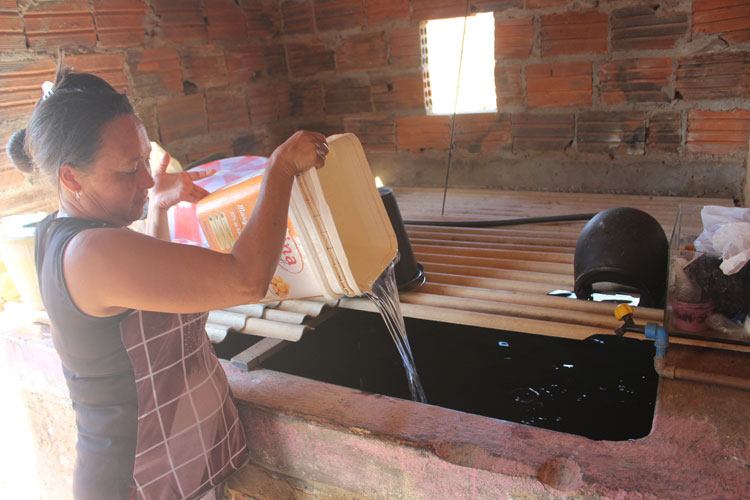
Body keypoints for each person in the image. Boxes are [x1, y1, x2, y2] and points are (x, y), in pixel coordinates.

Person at [6, 64, 328, 500]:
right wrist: (280, 168)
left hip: (177, 468)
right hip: (142, 483)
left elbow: (147, 297)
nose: (147, 179)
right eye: (129, 169)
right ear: (70, 177)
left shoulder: (75, 235)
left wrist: (156, 208)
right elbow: (246, 279)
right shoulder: (89, 253)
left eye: (144, 160)